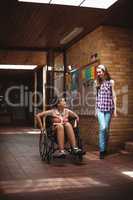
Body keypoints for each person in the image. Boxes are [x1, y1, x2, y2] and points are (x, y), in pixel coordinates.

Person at [95, 64, 117, 159]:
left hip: (109, 108)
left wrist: (115, 109)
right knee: (103, 128)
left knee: (106, 129)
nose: (98, 73)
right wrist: (95, 109)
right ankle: (102, 150)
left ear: (104, 72)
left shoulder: (111, 82)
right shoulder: (97, 82)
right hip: (100, 108)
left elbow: (114, 96)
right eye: (97, 72)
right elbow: (96, 96)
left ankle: (104, 148)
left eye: (100, 72)